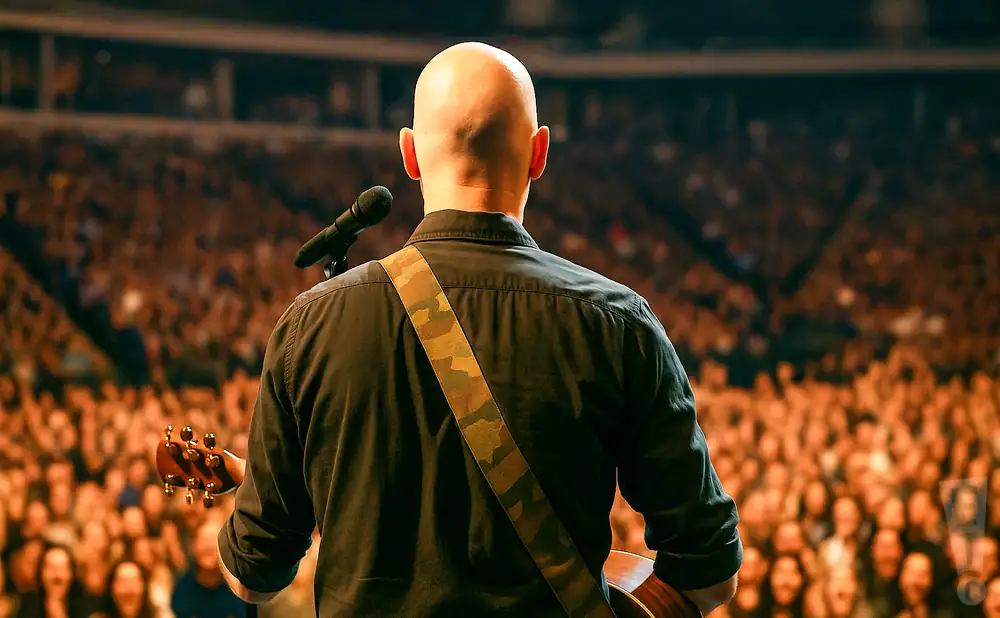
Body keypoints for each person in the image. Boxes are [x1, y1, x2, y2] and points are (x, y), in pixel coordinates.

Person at [217, 41, 742, 617]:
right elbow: (710, 575)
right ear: (539, 152)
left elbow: (254, 579)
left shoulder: (311, 325)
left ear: (410, 155)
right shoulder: (618, 323)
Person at [171, 523, 242, 618]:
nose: (208, 547)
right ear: (193, 547)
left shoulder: (238, 590)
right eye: (203, 540)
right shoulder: (182, 588)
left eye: (213, 541)